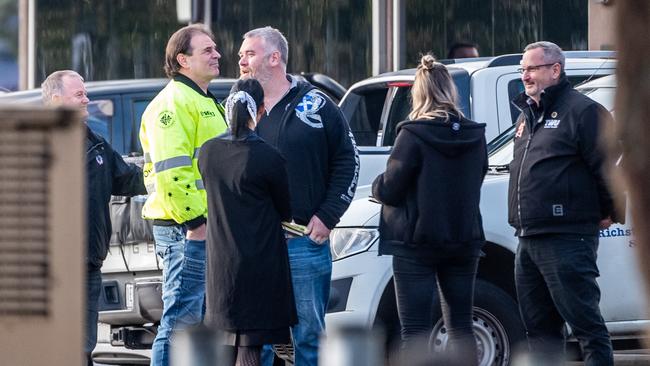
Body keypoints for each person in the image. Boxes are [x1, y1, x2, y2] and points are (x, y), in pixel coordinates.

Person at [237, 26, 359, 366]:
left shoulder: (317, 104)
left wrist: (328, 215)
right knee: (254, 340)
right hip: (254, 247)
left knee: (307, 336)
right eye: (241, 55)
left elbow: (349, 160)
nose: (241, 60)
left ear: (275, 58)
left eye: (249, 54)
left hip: (303, 242)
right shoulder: (237, 107)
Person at [371, 54, 487, 365]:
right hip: (464, 241)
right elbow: (477, 179)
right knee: (462, 327)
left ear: (419, 92)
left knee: (415, 331)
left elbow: (391, 188)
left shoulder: (412, 134)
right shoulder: (475, 134)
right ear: (450, 90)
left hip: (416, 245)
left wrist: (376, 186)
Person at [508, 41, 617, 365]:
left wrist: (609, 210)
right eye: (522, 69)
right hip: (528, 236)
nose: (525, 75)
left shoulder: (583, 111)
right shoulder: (527, 115)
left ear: (555, 69)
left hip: (567, 236)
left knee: (586, 326)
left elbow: (606, 167)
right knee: (539, 332)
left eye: (532, 68)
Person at [42, 70, 147, 366]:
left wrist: (162, 175)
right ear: (56, 99)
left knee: (82, 346)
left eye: (85, 93)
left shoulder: (95, 142)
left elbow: (127, 179)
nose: (87, 100)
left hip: (88, 263)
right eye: (79, 95)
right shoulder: (34, 144)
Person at [139, 24, 227, 366]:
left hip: (203, 226)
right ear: (183, 60)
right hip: (186, 228)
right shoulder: (173, 103)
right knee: (181, 318)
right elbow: (171, 172)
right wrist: (195, 222)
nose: (217, 54)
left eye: (215, 48)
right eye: (207, 50)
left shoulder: (202, 99)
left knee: (198, 320)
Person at [199, 78, 297, 366]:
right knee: (251, 346)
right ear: (262, 110)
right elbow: (285, 211)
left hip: (220, 260)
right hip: (260, 259)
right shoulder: (269, 156)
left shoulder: (207, 152)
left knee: (226, 344)